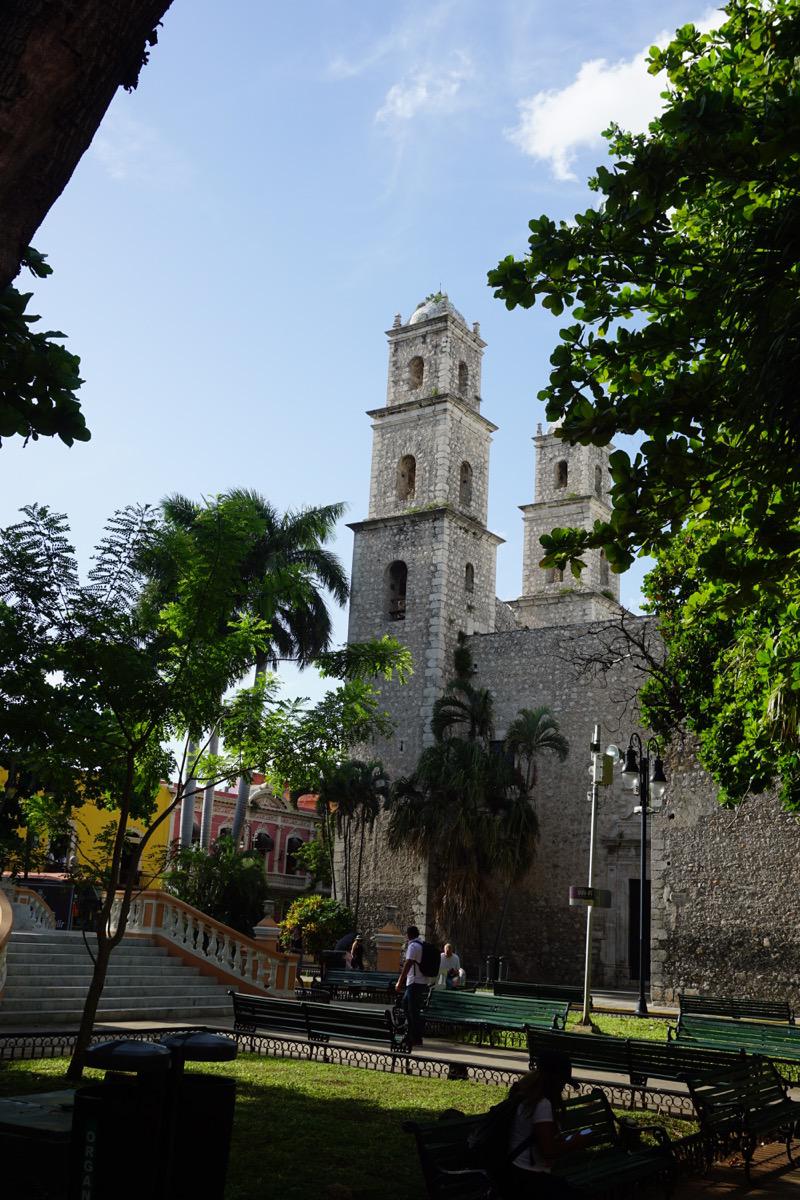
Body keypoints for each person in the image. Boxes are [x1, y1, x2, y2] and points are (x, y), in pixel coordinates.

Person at [499, 1051, 587, 1198]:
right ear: (555, 1079)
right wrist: (574, 1142)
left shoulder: (525, 1095)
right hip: (530, 1177)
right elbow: (548, 1151)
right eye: (563, 1081)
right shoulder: (542, 1104)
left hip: (516, 1171)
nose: (563, 1086)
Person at [395, 924, 432, 1048]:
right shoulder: (421, 945)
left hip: (414, 982)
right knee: (408, 1006)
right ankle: (412, 1034)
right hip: (421, 982)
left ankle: (415, 1037)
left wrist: (400, 981)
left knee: (412, 1010)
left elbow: (408, 964)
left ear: (409, 935)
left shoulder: (413, 946)